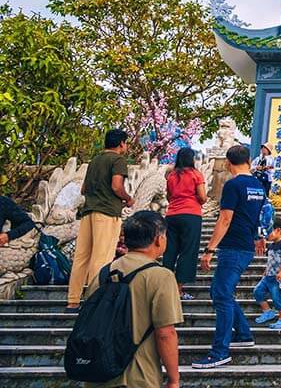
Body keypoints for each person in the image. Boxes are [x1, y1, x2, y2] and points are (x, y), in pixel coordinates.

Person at [84, 210, 181, 388]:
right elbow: (166, 333)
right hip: (139, 376)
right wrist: (174, 379)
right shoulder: (161, 276)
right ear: (159, 239)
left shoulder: (103, 273)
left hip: (97, 373)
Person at [192, 144, 266, 369]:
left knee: (222, 294)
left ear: (227, 162)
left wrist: (209, 249)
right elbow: (257, 217)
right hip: (246, 246)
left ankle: (220, 351)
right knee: (220, 291)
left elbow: (225, 219)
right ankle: (243, 334)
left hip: (232, 246)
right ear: (249, 161)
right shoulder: (258, 185)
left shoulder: (233, 185)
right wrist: (257, 237)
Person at [67, 128, 135, 311]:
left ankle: (73, 299)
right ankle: (93, 299)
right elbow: (116, 185)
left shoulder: (95, 160)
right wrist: (128, 198)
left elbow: (83, 189)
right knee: (102, 256)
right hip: (107, 212)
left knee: (82, 256)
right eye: (125, 143)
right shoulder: (118, 160)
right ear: (121, 143)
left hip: (88, 211)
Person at [162, 147, 207, 300]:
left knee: (170, 251)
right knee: (188, 251)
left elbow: (169, 196)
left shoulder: (172, 175)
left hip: (172, 214)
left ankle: (165, 285)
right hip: (191, 215)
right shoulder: (196, 174)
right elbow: (202, 197)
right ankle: (178, 289)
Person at [254, 217, 281, 330]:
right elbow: (270, 260)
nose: (266, 235)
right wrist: (266, 270)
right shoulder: (270, 245)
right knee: (258, 292)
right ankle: (268, 311)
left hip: (278, 277)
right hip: (268, 276)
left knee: (277, 296)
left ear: (278, 230)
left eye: (268, 231)